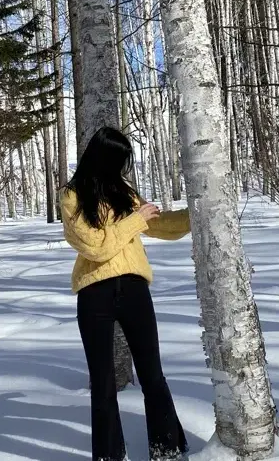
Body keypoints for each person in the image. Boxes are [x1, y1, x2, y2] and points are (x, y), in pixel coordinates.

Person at [61, 126, 191, 461]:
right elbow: (94, 246)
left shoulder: (123, 191)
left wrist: (198, 213)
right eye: (118, 160)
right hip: (95, 295)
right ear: (103, 157)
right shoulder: (72, 196)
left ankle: (168, 450)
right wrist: (134, 220)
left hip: (134, 290)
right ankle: (109, 457)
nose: (122, 168)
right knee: (103, 387)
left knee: (153, 375)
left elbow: (159, 224)